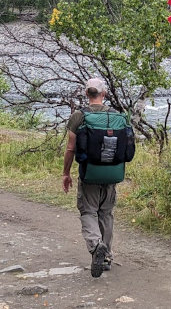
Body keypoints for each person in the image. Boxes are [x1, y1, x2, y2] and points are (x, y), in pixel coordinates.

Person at [62, 78, 118, 278]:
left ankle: (96, 247)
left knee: (88, 212)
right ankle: (107, 257)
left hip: (89, 173)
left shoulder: (79, 116)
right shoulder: (116, 115)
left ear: (87, 94)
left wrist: (66, 173)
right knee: (106, 214)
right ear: (104, 94)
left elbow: (71, 148)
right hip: (111, 174)